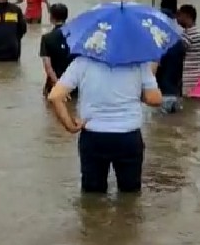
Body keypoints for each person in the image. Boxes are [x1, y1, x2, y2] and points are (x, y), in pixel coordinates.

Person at [48, 58, 163, 193]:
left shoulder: (82, 62)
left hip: (93, 136)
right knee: (130, 194)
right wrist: (136, 93)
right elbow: (154, 99)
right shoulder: (138, 64)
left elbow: (55, 96)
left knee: (92, 196)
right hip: (128, 137)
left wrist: (70, 125)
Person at [155, 0, 185, 113]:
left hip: (162, 93)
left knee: (159, 128)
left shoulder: (158, 36)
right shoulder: (181, 32)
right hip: (177, 92)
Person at [40, 3, 75, 96]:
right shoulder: (76, 36)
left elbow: (48, 67)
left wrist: (58, 85)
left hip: (54, 85)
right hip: (74, 84)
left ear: (51, 17)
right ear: (66, 16)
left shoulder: (47, 38)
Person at [177, 4, 200, 97]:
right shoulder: (197, 32)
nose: (178, 18)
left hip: (187, 82)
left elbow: (176, 51)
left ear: (187, 17)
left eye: (180, 15)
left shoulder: (189, 35)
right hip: (196, 79)